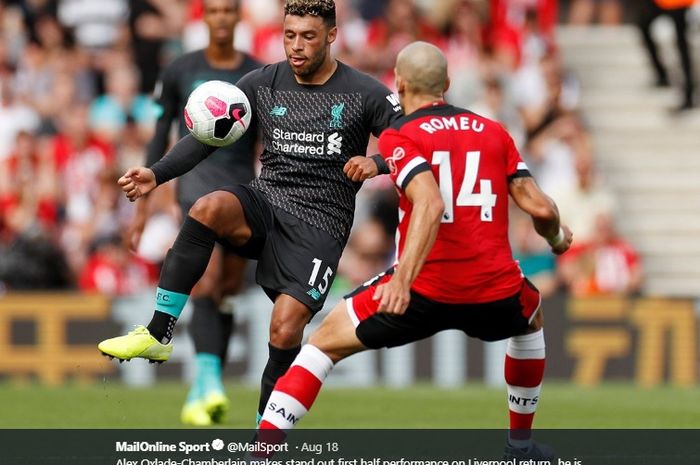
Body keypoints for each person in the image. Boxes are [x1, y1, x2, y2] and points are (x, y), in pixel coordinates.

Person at [256, 42, 572, 460]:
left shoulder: (401, 134)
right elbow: (541, 207)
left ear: (399, 84)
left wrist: (402, 278)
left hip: (422, 289)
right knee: (531, 318)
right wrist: (555, 239)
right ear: (447, 83)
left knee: (320, 345)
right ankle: (520, 446)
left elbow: (429, 201)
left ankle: (262, 451)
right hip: (493, 289)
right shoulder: (494, 132)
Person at [97, 0, 401, 425]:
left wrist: (378, 163)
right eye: (289, 35)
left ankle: (266, 436)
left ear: (331, 36)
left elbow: (409, 139)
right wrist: (156, 174)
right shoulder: (263, 81)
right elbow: (206, 136)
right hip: (267, 201)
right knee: (207, 207)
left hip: (319, 224)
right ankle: (157, 331)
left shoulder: (364, 92)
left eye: (308, 37)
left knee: (284, 328)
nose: (296, 46)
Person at [125, 0, 262, 426]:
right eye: (214, 11)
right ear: (204, 19)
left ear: (238, 18)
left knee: (226, 293)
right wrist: (145, 208)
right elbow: (158, 138)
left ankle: (202, 390)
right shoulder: (179, 70)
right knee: (206, 283)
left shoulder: (258, 74)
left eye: (228, 11)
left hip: (242, 191)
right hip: (196, 190)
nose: (221, 18)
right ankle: (211, 384)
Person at [637, 0, 695, 112]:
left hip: (680, 3)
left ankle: (688, 94)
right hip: (662, 3)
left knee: (682, 45)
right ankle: (662, 75)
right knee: (643, 24)